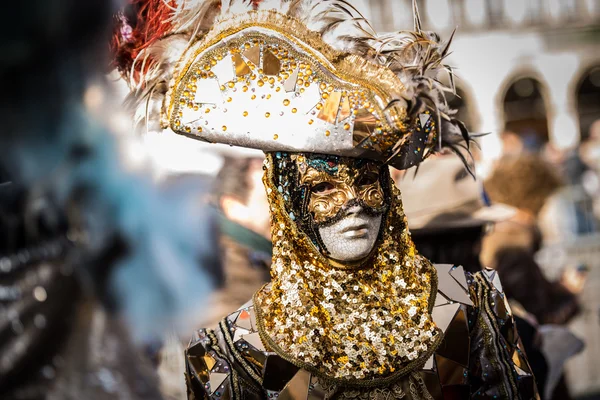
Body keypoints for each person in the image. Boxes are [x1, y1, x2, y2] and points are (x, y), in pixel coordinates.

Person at [124, 0, 539, 398]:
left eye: (367, 182)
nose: (354, 204)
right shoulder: (231, 350)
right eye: (323, 187)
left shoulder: (471, 302)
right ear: (287, 200)